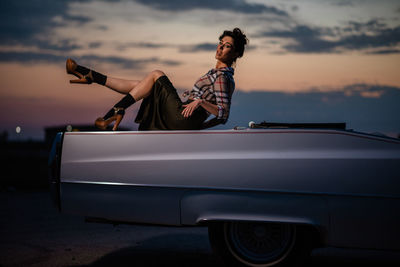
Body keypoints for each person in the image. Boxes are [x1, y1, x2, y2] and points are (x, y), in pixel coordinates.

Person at [66, 28, 248, 131]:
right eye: (221, 43)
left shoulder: (223, 77)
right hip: (187, 119)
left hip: (183, 118)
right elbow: (218, 115)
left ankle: (116, 110)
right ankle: (92, 76)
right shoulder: (218, 75)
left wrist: (199, 103)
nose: (221, 48)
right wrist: (199, 127)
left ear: (236, 53)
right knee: (144, 86)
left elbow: (223, 114)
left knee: (156, 74)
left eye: (227, 46)